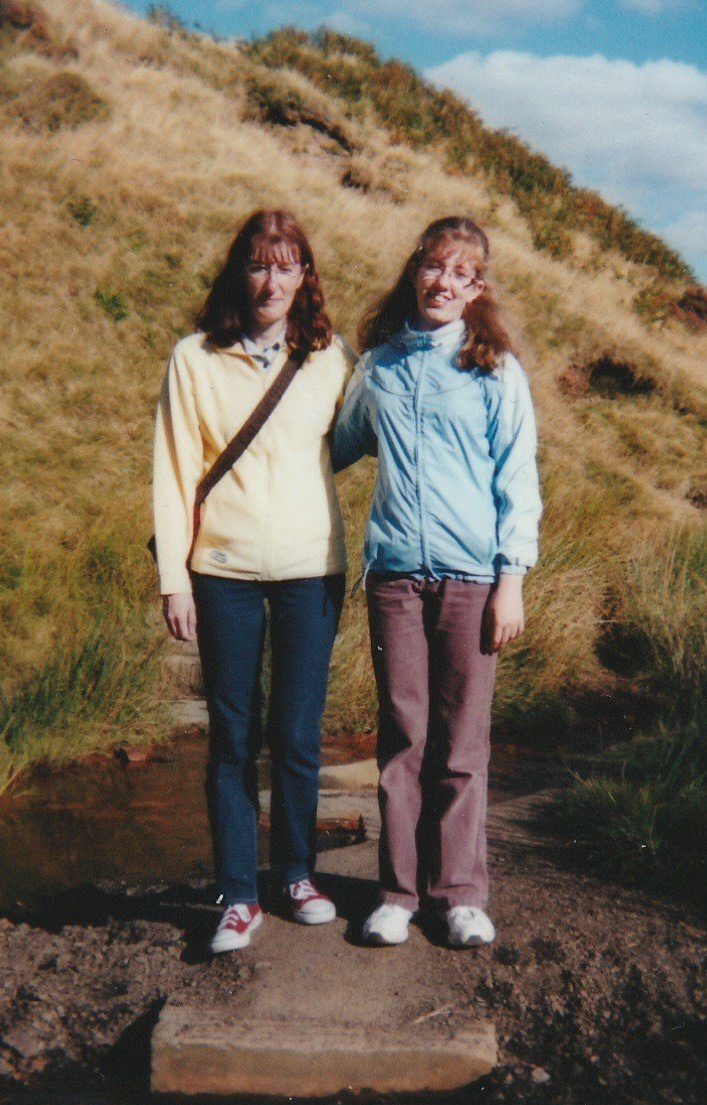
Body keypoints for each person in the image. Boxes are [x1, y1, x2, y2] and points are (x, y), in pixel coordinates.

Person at [331, 216, 541, 949]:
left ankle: (458, 896)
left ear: (477, 288)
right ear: (414, 269)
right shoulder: (379, 365)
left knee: (461, 744)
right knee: (403, 738)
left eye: (460, 273)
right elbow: (337, 444)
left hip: (472, 578)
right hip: (394, 577)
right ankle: (397, 894)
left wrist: (511, 581)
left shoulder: (494, 369)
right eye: (433, 266)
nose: (443, 283)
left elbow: (518, 480)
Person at [152, 209, 354, 954]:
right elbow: (173, 471)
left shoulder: (333, 357)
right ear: (241, 273)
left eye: (287, 265)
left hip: (311, 569)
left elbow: (354, 440)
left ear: (306, 277)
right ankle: (239, 896)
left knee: (297, 733)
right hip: (223, 571)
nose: (273, 282)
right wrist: (174, 579)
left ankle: (296, 874)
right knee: (232, 735)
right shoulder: (194, 358)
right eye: (260, 265)